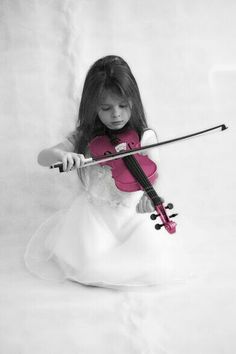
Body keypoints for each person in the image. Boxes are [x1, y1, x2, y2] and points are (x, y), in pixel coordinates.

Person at [25, 55, 188, 289]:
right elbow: (43, 157)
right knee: (90, 262)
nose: (116, 115)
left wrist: (149, 198)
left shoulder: (144, 137)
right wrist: (62, 155)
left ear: (134, 101)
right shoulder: (85, 137)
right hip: (94, 217)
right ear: (93, 107)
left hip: (133, 216)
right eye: (106, 108)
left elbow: (152, 175)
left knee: (153, 255)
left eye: (123, 105)